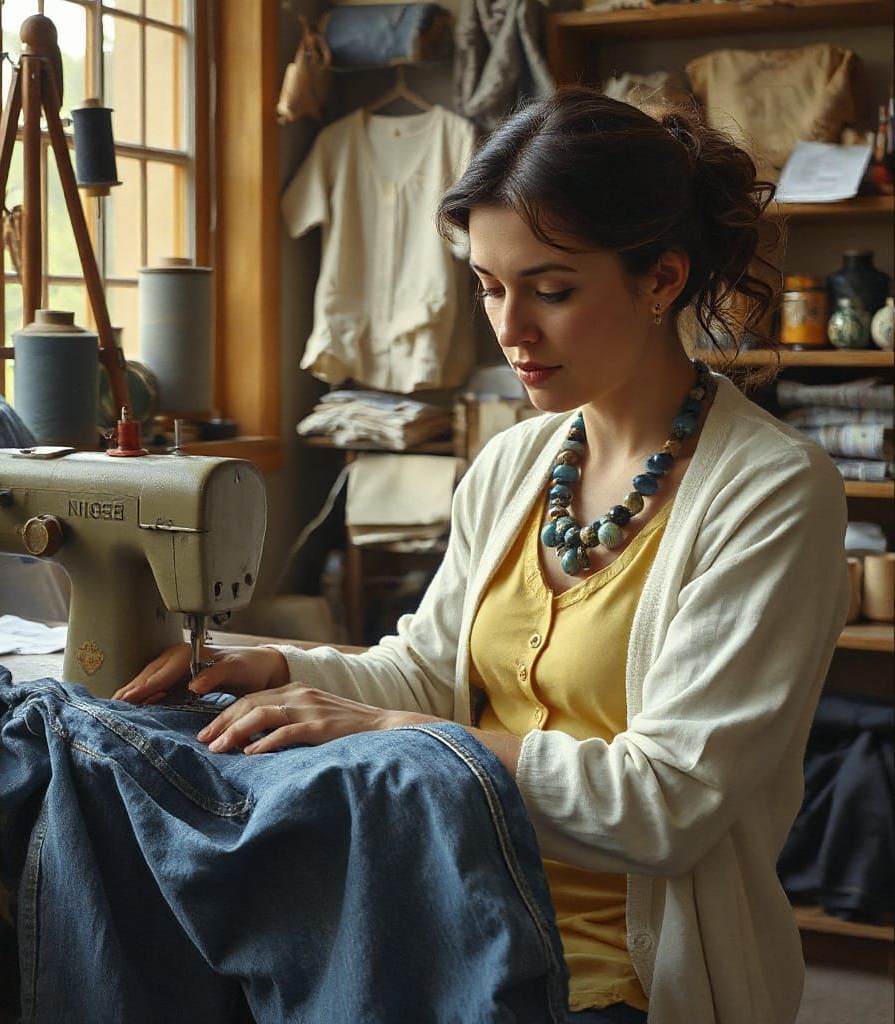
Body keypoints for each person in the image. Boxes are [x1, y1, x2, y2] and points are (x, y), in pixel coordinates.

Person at [114, 88, 849, 1024]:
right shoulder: (516, 462)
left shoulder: (772, 493)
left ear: (661, 279)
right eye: (490, 288)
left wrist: (390, 737)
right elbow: (429, 672)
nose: (511, 330)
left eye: (552, 290)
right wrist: (278, 662)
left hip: (624, 980)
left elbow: (666, 803)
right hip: (451, 916)